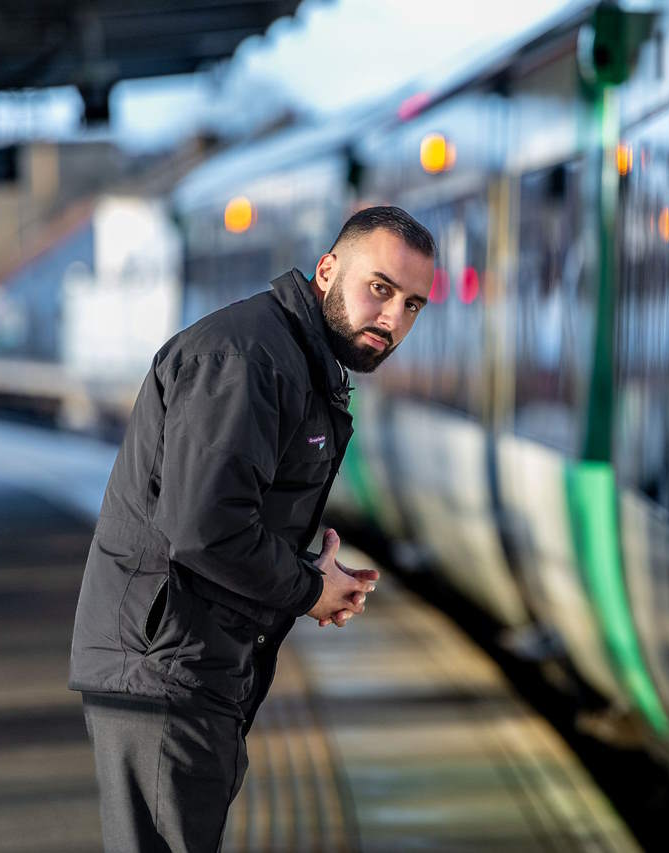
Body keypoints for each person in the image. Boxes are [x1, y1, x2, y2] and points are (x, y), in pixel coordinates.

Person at [68, 206, 436, 852]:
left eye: (412, 305)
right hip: (164, 672)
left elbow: (231, 514)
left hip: (191, 667)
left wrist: (312, 574)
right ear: (328, 270)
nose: (393, 318)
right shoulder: (246, 358)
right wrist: (306, 589)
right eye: (380, 288)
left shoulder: (290, 359)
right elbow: (205, 525)